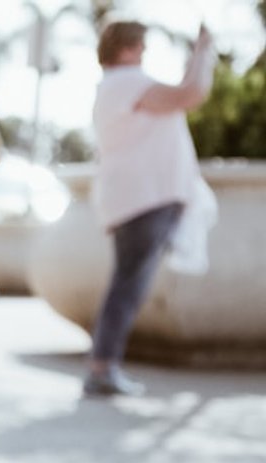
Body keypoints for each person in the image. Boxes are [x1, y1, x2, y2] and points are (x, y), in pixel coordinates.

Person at [83, 19, 216, 397]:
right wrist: (203, 51)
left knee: (127, 284)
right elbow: (190, 94)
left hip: (140, 200)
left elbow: (180, 95)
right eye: (140, 46)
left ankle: (103, 366)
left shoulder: (117, 85)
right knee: (127, 286)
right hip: (143, 201)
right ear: (125, 48)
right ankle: (101, 368)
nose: (143, 53)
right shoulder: (126, 82)